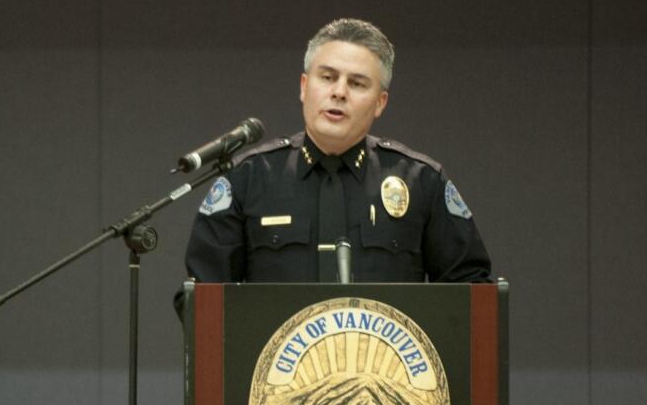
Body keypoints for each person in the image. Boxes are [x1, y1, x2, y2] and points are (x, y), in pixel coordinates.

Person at [180, 18, 491, 299]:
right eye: (327, 77)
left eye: (356, 83)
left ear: (380, 102)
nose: (339, 92)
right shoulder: (248, 178)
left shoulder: (422, 181)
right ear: (304, 86)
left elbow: (472, 296)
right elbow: (201, 301)